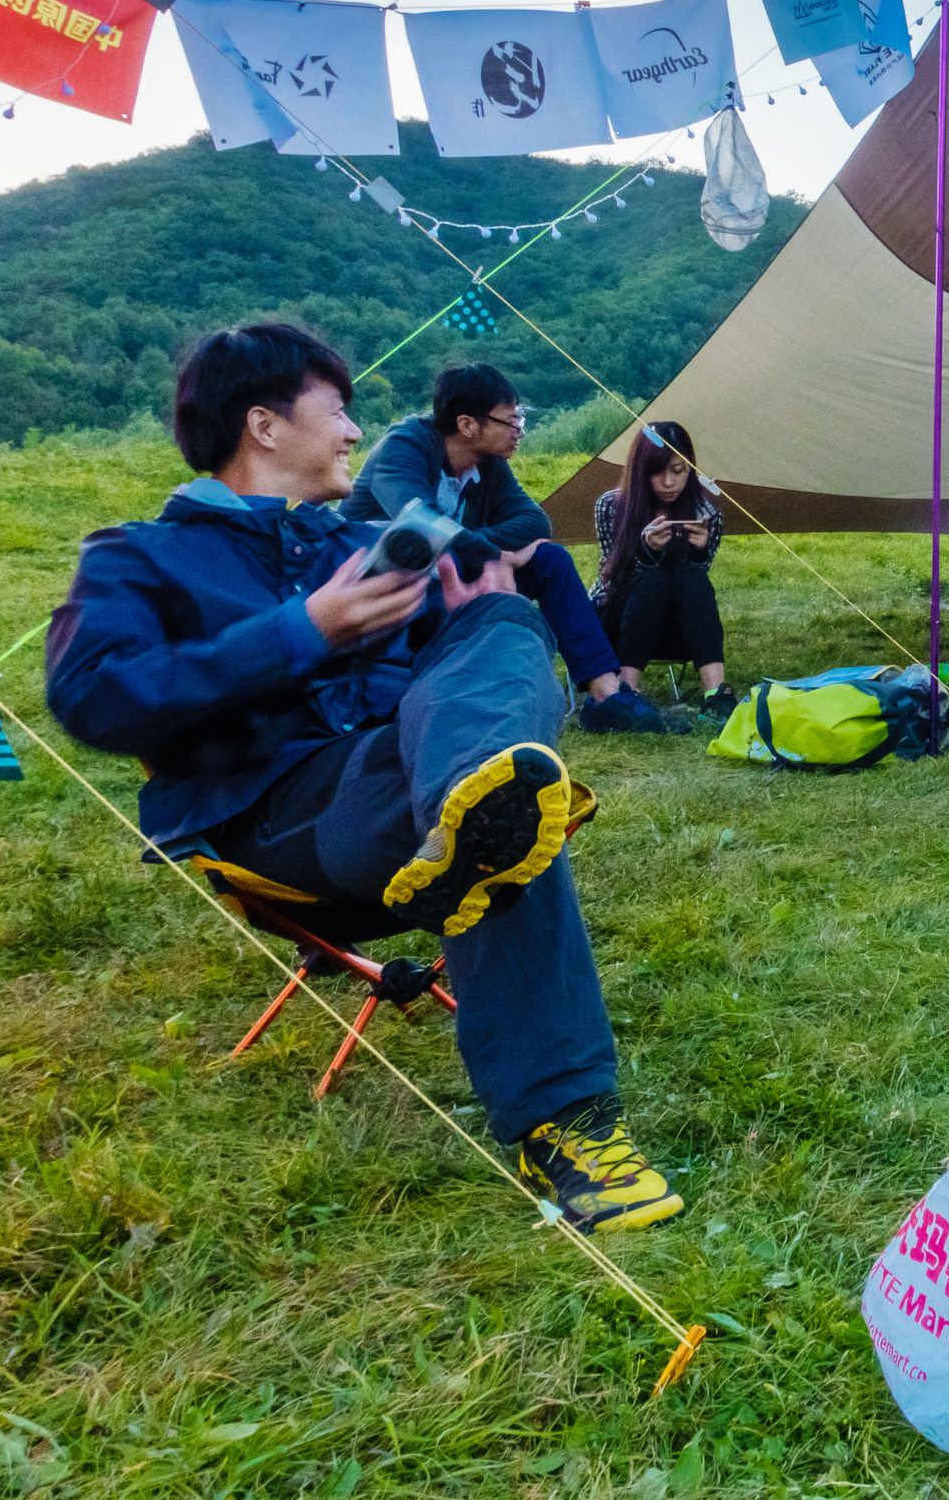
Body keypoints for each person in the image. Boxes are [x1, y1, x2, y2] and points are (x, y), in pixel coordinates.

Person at [46, 324, 684, 1232]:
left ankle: (479, 826)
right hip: (275, 823)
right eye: (337, 411)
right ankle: (560, 1107)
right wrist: (307, 629)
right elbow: (93, 695)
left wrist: (475, 603)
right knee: (492, 803)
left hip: (399, 796)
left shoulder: (362, 541)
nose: (354, 432)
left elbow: (486, 621)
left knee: (502, 648)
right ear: (264, 426)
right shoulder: (139, 556)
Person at [341, 364, 667, 733]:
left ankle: (606, 694)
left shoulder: (489, 463)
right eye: (511, 421)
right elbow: (419, 526)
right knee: (470, 557)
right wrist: (497, 555)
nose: (519, 432)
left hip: (450, 570)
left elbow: (535, 522)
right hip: (386, 578)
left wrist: (481, 549)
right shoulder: (406, 445)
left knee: (549, 559)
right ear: (467, 424)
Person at [591, 422, 732, 719]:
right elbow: (612, 579)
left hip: (677, 627)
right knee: (651, 579)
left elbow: (697, 587)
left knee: (692, 576)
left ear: (690, 470)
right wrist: (645, 552)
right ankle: (626, 691)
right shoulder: (611, 506)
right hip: (620, 619)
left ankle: (716, 692)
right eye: (658, 472)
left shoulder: (706, 514)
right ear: (640, 472)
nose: (668, 482)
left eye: (678, 472)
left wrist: (699, 552)